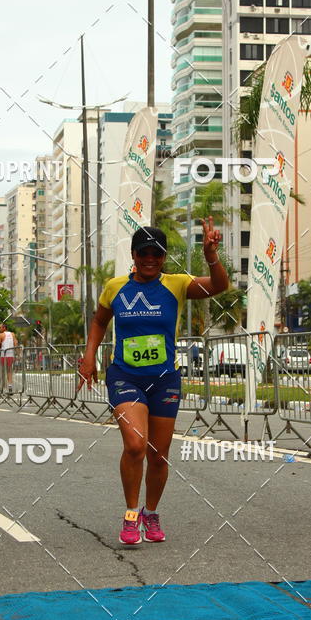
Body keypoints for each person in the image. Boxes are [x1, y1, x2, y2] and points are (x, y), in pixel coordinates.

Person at [77, 220, 228, 546]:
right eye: (143, 253)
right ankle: (131, 514)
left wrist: (211, 255)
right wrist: (89, 356)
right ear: (133, 255)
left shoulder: (176, 284)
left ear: (163, 257)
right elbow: (99, 321)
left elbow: (218, 287)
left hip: (164, 379)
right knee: (135, 445)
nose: (150, 259)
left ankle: (151, 512)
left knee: (158, 454)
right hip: (125, 376)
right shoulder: (115, 287)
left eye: (156, 254)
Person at [0, 324, 18, 392]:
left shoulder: (1, 335)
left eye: (0, 327)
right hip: (11, 355)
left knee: (2, 371)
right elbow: (16, 343)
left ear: (4, 328)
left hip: (3, 355)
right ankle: (10, 386)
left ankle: (2, 387)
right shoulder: (12, 334)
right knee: (9, 371)